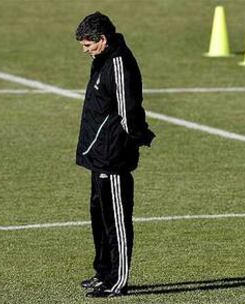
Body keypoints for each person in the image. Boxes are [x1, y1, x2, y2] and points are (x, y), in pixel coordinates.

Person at [74, 12, 155, 298]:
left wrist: (138, 136)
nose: (85, 51)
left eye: (88, 45)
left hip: (114, 156)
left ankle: (116, 281)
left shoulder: (119, 63)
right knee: (99, 216)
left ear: (103, 40)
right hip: (99, 156)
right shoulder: (102, 59)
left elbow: (128, 110)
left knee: (116, 220)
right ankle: (103, 272)